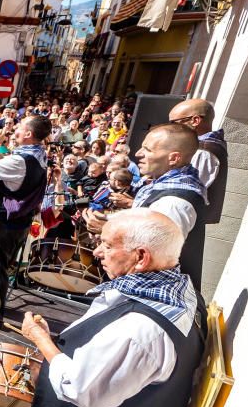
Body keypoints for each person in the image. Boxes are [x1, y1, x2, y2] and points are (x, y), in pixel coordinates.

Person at [20, 210, 204, 407]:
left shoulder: (140, 330)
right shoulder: (177, 291)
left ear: (141, 257)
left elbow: (79, 387)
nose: (98, 252)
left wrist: (42, 340)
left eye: (106, 245)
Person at [84, 123, 206, 287]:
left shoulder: (174, 204)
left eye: (147, 150)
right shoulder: (163, 187)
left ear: (174, 158)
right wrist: (108, 218)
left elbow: (152, 254)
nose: (138, 154)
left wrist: (107, 229)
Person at [0, 115, 51, 326]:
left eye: (19, 127)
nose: (14, 129)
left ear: (29, 134)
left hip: (5, 222)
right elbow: (8, 167)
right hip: (20, 222)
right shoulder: (38, 154)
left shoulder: (20, 161)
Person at [168, 98, 227, 225]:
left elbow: (185, 194)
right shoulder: (200, 147)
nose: (172, 128)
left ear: (195, 120)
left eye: (174, 122)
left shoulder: (203, 152)